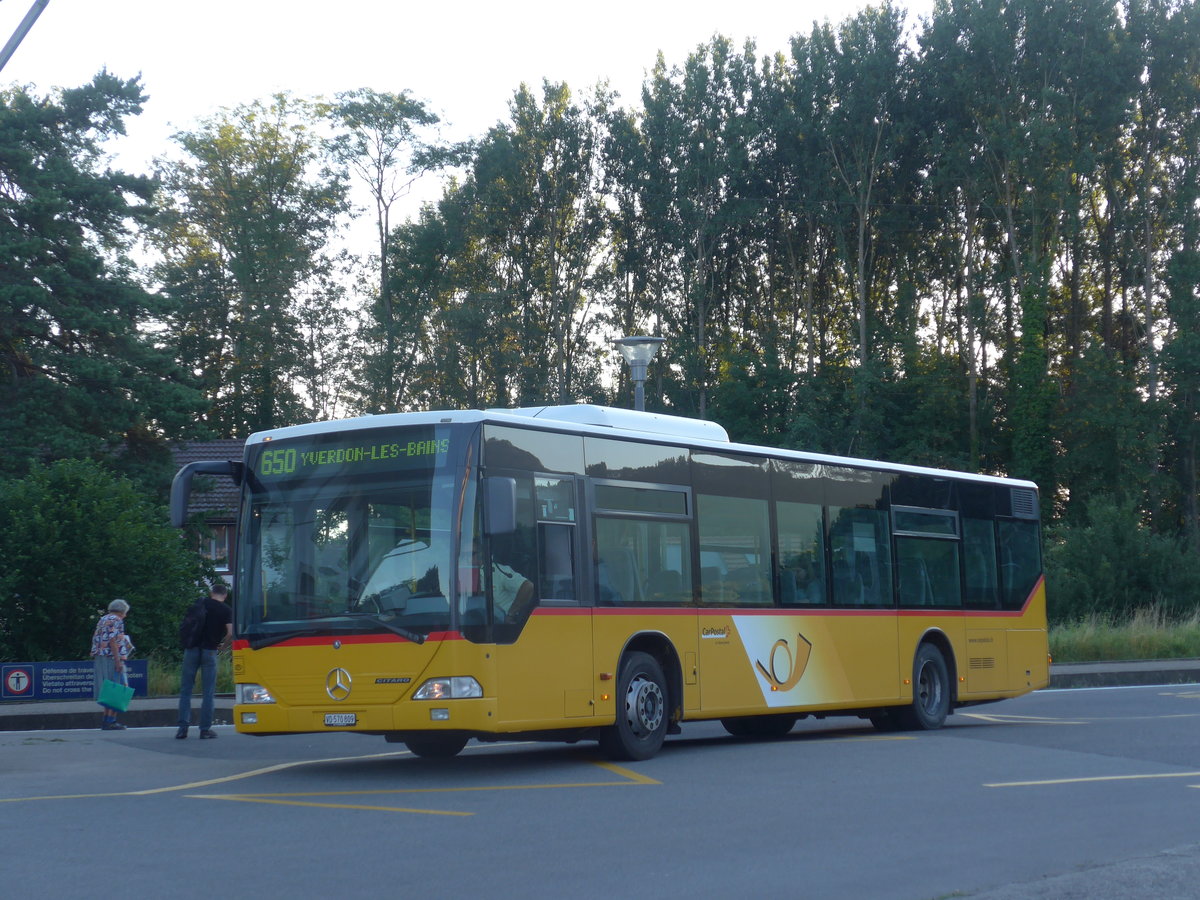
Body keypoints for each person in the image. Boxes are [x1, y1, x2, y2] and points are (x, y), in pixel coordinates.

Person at [177, 583, 233, 739]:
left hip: (191, 649)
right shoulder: (226, 610)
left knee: (186, 690)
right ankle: (205, 729)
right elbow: (231, 632)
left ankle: (182, 728)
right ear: (225, 595)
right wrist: (223, 646)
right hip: (209, 650)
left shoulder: (199, 604)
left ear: (211, 593)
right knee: (208, 692)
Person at [90, 599, 131, 731]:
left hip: (101, 656)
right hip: (112, 657)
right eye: (125, 613)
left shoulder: (103, 619)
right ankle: (111, 721)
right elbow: (113, 640)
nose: (125, 615)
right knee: (118, 688)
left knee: (109, 688)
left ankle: (106, 721)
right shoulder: (117, 620)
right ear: (121, 611)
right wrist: (118, 660)